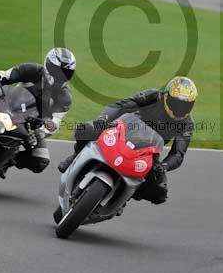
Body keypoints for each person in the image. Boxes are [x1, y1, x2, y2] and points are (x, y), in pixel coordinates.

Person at [58, 76, 197, 204]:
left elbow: (178, 154)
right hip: (124, 131)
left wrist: (164, 166)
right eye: (176, 103)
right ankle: (76, 156)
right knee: (85, 129)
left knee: (160, 192)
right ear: (165, 96)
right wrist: (103, 119)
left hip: (148, 151)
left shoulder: (187, 123)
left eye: (185, 106)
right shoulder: (153, 96)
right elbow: (121, 106)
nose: (180, 109)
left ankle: (123, 196)